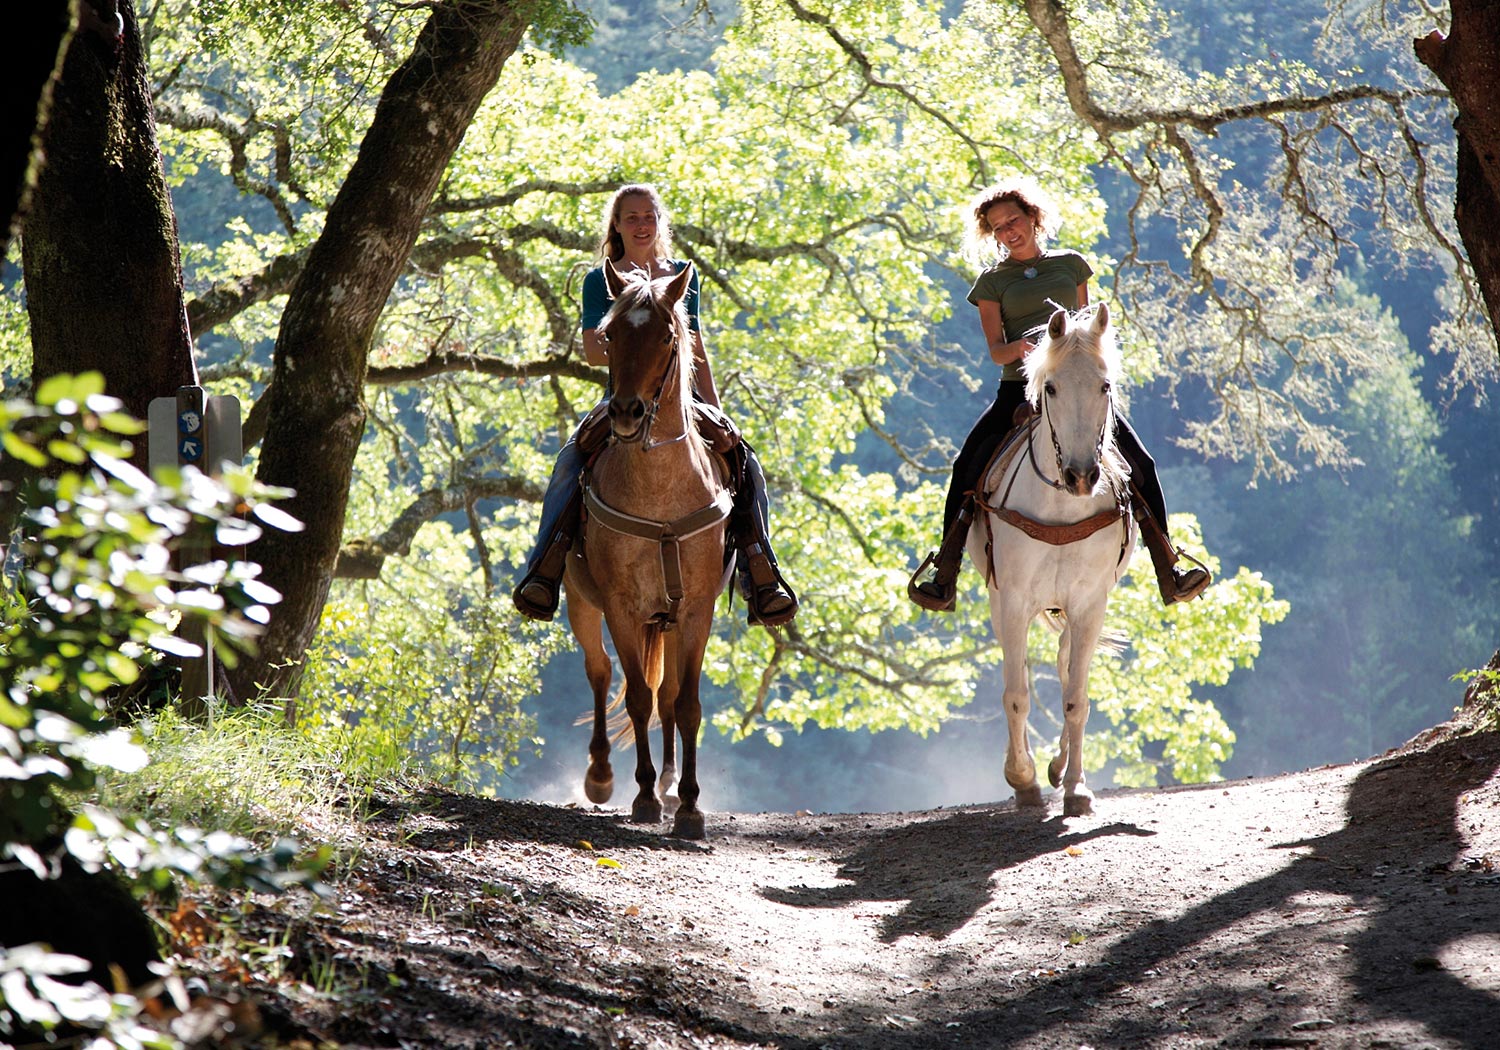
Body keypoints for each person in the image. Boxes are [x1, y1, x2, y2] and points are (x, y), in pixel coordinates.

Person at [908, 176, 1211, 611]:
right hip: (1020, 391)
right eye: (998, 227)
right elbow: (997, 352)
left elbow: (1087, 331)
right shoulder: (992, 282)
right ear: (992, 235)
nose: (1008, 230)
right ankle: (946, 570)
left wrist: (1075, 356)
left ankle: (1169, 565)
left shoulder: (1071, 265)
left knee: (1141, 462)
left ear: (1033, 217)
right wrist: (1032, 349)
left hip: (1076, 388)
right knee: (966, 466)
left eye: (1014, 219)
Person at [512, 184, 797, 627]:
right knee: (569, 461)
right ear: (617, 225)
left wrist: (717, 408)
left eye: (649, 216)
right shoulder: (599, 280)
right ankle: (543, 570)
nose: (641, 224)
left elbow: (696, 346)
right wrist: (638, 344)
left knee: (747, 463)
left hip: (683, 398)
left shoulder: (682, 274)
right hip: (623, 396)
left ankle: (760, 572)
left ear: (660, 222)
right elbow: (591, 351)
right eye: (631, 217)